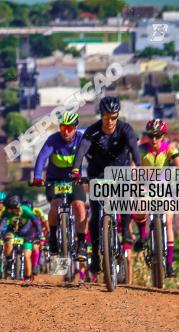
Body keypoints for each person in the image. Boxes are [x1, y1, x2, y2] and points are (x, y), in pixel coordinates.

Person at [71, 97, 142, 275]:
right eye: (106, 117)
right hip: (98, 174)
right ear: (101, 116)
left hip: (121, 172)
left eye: (113, 117)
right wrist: (75, 171)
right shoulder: (92, 132)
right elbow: (81, 152)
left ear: (117, 116)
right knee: (96, 215)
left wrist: (139, 169)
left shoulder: (125, 129)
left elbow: (134, 150)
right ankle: (95, 257)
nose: (110, 122)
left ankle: (125, 230)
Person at [31, 111, 88, 260]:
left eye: (69, 128)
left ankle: (81, 244)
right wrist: (37, 177)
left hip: (73, 180)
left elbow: (93, 156)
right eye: (62, 127)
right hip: (54, 179)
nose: (65, 132)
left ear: (76, 128)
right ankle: (53, 238)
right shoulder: (53, 140)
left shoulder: (82, 140)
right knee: (55, 206)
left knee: (79, 207)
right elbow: (42, 157)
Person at [139, 118, 179, 277]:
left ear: (163, 136)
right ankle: (143, 235)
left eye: (157, 136)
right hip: (146, 189)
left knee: (169, 221)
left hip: (165, 190)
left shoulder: (169, 149)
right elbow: (132, 165)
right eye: (151, 136)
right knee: (139, 207)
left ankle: (170, 264)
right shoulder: (142, 149)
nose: (154, 139)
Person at [0, 196, 43, 282]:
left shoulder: (26, 210)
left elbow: (35, 221)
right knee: (8, 242)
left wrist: (39, 233)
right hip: (13, 232)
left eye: (8, 208)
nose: (7, 210)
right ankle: (8, 262)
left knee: (27, 255)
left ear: (14, 208)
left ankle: (27, 277)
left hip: (27, 233)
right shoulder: (6, 212)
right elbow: (3, 223)